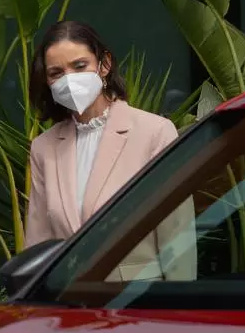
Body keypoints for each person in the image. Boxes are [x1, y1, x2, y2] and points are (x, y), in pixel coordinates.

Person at [24, 20, 194, 280]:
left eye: (79, 66)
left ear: (104, 65)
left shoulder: (155, 133)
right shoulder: (43, 147)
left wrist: (179, 302)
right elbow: (38, 242)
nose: (69, 79)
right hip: (66, 299)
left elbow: (176, 235)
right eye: (56, 73)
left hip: (135, 298)